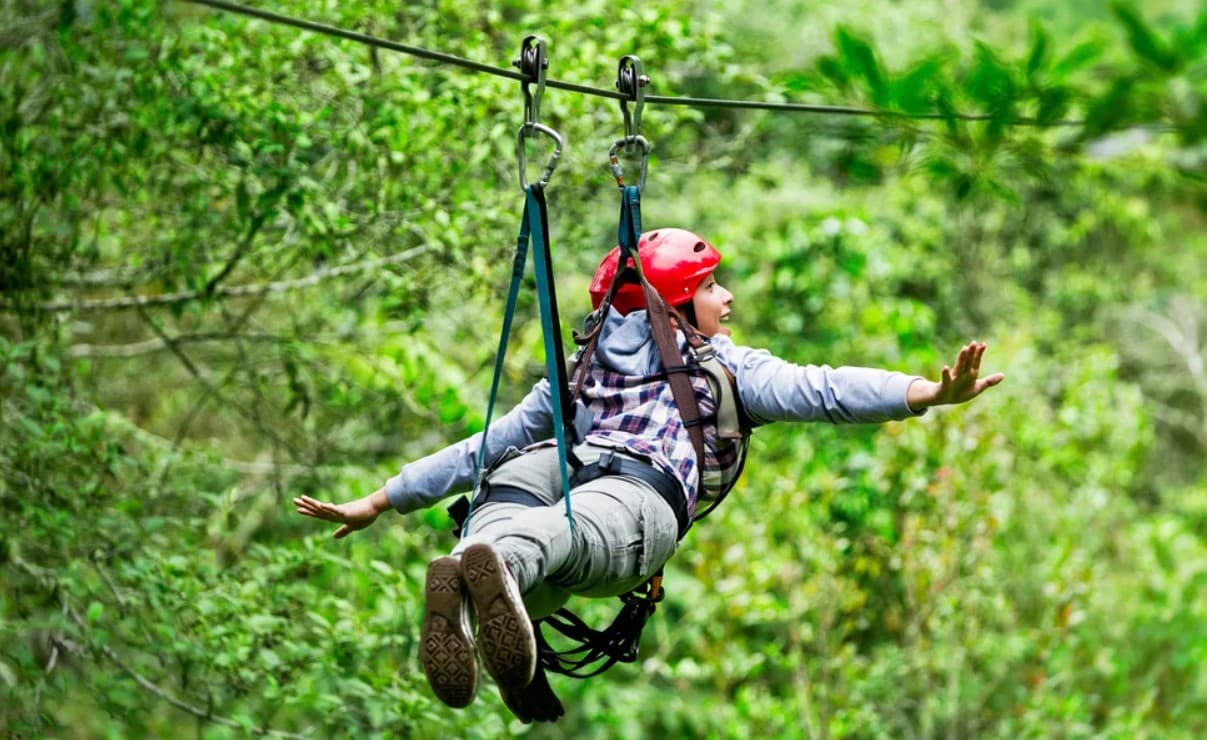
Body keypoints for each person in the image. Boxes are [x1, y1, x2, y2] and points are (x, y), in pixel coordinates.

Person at [293, 227, 1005, 720]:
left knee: (509, 490)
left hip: (563, 466)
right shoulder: (725, 366)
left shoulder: (579, 370)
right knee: (559, 535)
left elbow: (483, 446)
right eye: (709, 286)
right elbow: (823, 390)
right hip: (638, 496)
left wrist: (383, 499)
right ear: (673, 304)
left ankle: (475, 565)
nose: (724, 298)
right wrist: (924, 394)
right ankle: (497, 566)